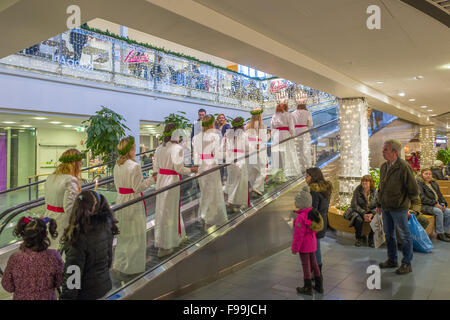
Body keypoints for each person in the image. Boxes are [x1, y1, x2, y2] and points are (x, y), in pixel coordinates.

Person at [60, 190, 119, 299]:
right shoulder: (107, 225)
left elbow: (72, 280)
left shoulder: (78, 238)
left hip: (86, 294)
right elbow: (109, 260)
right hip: (104, 286)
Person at [112, 136, 156, 275]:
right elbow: (138, 187)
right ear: (130, 149)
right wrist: (152, 179)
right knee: (135, 234)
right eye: (134, 147)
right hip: (133, 202)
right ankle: (133, 266)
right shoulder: (134, 166)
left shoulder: (117, 165)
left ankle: (120, 264)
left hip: (121, 200)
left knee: (124, 234)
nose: (135, 149)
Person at [154, 123, 198, 257]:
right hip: (171, 181)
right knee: (170, 211)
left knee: (162, 211)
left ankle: (178, 236)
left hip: (161, 181)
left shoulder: (158, 149)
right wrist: (191, 170)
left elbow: (155, 169)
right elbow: (179, 168)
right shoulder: (177, 148)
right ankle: (166, 245)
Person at [376, 139, 419, 275]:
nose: (383, 152)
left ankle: (407, 263)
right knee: (389, 234)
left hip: (400, 208)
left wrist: (412, 208)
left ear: (394, 152)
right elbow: (381, 188)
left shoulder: (404, 167)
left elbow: (413, 189)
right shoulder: (384, 166)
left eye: (385, 150)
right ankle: (392, 259)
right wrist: (379, 204)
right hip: (386, 207)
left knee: (404, 236)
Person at [1, 216, 63, 300]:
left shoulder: (15, 258)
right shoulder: (54, 256)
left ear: (24, 235)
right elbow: (60, 281)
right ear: (46, 234)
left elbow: (8, 286)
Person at [193, 115, 228, 229]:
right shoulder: (214, 136)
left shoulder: (196, 137)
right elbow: (217, 154)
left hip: (202, 167)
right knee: (214, 193)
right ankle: (211, 219)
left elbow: (196, 155)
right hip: (211, 166)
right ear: (211, 123)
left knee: (205, 192)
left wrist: (197, 166)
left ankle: (204, 215)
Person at [45, 148, 83, 250]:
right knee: (61, 250)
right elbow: (70, 207)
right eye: (80, 163)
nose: (81, 166)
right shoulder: (71, 180)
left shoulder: (51, 177)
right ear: (75, 163)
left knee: (50, 248)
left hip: (49, 217)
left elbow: (46, 201)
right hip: (62, 221)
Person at [292, 186, 324, 295]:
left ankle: (307, 288)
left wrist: (295, 248)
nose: (295, 204)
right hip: (312, 245)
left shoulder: (300, 218)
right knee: (314, 264)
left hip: (304, 247)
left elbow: (298, 235)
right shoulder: (312, 213)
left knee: (306, 266)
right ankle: (319, 286)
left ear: (301, 203)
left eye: (296, 202)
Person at [305, 167, 332, 272]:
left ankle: (316, 273)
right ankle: (316, 272)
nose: (305, 179)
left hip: (315, 222)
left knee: (314, 249)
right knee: (316, 247)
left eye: (307, 176)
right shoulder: (325, 188)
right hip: (323, 220)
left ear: (313, 177)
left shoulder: (314, 190)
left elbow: (313, 209)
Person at [416, 168, 450, 242]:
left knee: (448, 212)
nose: (428, 175)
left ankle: (446, 231)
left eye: (430, 174)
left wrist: (443, 203)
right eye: (426, 174)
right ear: (422, 175)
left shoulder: (433, 183)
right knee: (438, 212)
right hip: (424, 206)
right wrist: (435, 204)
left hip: (435, 204)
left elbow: (440, 195)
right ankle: (440, 233)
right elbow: (422, 198)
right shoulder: (419, 184)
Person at [224, 117, 249, 210]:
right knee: (239, 182)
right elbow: (247, 148)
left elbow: (222, 147)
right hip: (240, 159)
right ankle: (233, 201)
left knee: (231, 180)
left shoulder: (227, 133)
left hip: (230, 160)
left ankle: (231, 200)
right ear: (242, 125)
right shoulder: (243, 134)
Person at [270, 101, 300, 179]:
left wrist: (274, 136)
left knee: (279, 153)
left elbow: (272, 127)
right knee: (287, 152)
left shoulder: (274, 115)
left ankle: (278, 172)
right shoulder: (288, 115)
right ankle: (287, 171)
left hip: (277, 135)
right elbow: (291, 127)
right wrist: (293, 136)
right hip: (285, 134)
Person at [347, 175, 377, 247]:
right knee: (358, 219)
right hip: (359, 211)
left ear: (371, 183)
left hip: (370, 212)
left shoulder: (375, 191)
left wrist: (372, 214)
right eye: (363, 181)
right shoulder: (358, 190)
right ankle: (358, 238)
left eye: (366, 181)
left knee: (375, 218)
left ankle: (371, 239)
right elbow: (353, 204)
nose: (364, 182)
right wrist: (363, 213)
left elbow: (378, 205)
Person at [246, 108, 267, 196]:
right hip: (259, 149)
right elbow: (263, 139)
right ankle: (257, 187)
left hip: (250, 150)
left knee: (252, 170)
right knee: (263, 170)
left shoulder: (247, 126)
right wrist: (269, 134)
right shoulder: (262, 126)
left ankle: (253, 189)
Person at [291, 94, 313, 172]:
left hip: (296, 132)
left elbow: (291, 125)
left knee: (298, 150)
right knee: (306, 149)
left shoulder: (292, 113)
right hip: (304, 131)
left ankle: (299, 168)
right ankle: (307, 167)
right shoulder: (307, 113)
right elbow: (310, 124)